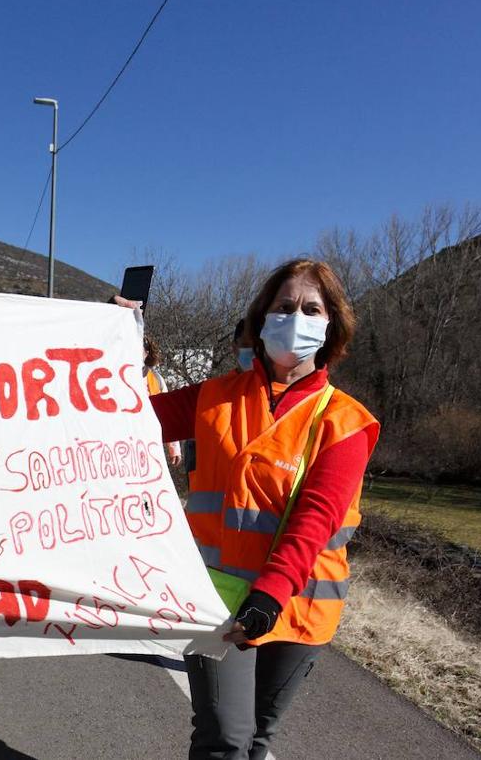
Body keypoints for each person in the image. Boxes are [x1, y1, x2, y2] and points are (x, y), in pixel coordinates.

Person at [123, 259, 379, 760]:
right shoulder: (213, 397)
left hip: (300, 604)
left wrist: (270, 594)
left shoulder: (347, 421)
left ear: (331, 326)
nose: (296, 318)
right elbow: (120, 414)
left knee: (258, 739)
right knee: (224, 739)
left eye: (311, 309)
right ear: (262, 318)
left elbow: (317, 517)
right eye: (284, 307)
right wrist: (106, 342)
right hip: (217, 603)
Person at [143, 335, 183, 467]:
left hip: (151, 442)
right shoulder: (115, 375)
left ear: (146, 353)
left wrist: (174, 448)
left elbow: (167, 414)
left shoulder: (156, 379)